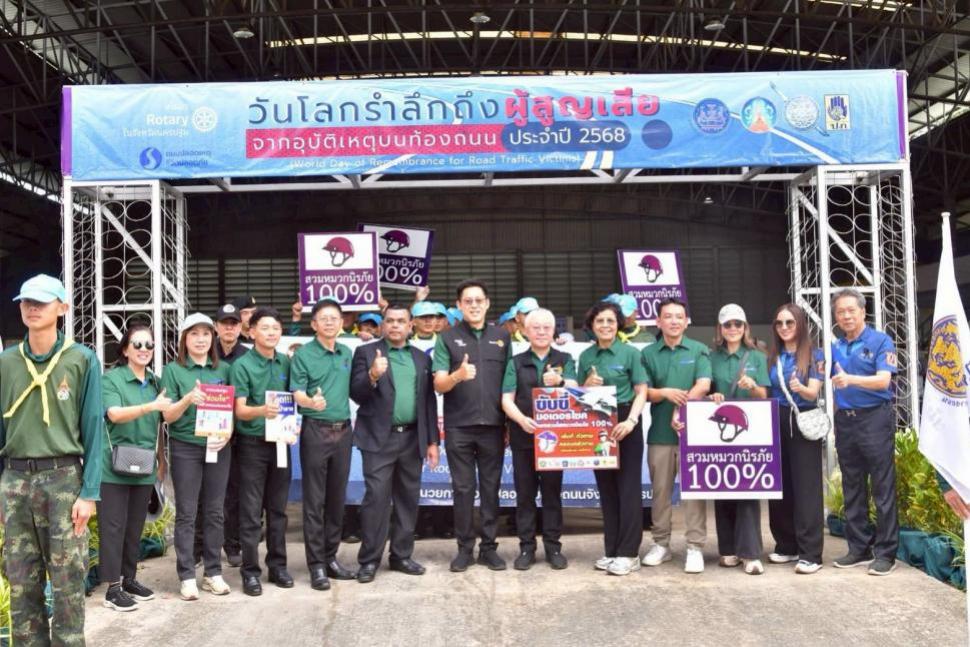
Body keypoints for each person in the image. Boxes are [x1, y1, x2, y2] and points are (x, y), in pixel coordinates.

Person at [0, 274, 103, 644]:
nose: (32, 308)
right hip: (15, 481)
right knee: (20, 582)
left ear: (62, 308)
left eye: (41, 302)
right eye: (26, 302)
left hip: (63, 480)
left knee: (67, 584)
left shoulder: (81, 359)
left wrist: (89, 492)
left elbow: (93, 428)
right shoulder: (6, 362)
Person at [350, 304, 439, 583]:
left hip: (412, 438)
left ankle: (401, 555)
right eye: (390, 321)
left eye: (401, 321)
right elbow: (356, 393)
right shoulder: (366, 353)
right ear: (382, 325)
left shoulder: (421, 358)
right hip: (379, 438)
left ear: (410, 325)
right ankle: (369, 560)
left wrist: (432, 441)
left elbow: (428, 401)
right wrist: (373, 375)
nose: (395, 325)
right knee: (376, 499)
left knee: (407, 499)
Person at [433, 279, 512, 572]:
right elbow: (439, 384)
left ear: (488, 303)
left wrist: (508, 421)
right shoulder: (447, 338)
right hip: (459, 427)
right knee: (463, 489)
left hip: (494, 426)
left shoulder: (502, 337)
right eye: (468, 301)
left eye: (479, 300)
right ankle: (464, 549)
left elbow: (510, 383)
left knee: (491, 488)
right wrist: (458, 375)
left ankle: (489, 548)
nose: (474, 305)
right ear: (459, 306)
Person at [99, 324, 172, 611]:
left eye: (149, 345)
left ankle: (129, 579)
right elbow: (114, 414)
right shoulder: (112, 379)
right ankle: (112, 589)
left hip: (144, 465)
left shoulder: (155, 382)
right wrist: (151, 406)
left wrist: (161, 460)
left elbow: (162, 423)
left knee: (134, 527)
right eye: (137, 344)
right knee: (113, 527)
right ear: (125, 350)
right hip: (113, 466)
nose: (144, 350)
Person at [160, 313, 233, 600]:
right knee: (187, 513)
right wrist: (188, 398)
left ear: (213, 338)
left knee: (215, 511)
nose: (201, 339)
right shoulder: (173, 370)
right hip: (185, 447)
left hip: (218, 446)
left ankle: (213, 573)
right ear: (184, 339)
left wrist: (228, 432)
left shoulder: (224, 369)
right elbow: (167, 416)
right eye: (194, 334)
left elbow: (231, 409)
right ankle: (187, 575)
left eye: (205, 334)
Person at [501, 308, 577, 570]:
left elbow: (577, 392)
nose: (542, 332)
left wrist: (561, 381)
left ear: (554, 330)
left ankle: (553, 547)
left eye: (547, 327)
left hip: (554, 440)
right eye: (536, 328)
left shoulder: (565, 358)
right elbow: (506, 399)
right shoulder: (515, 362)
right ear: (525, 331)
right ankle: (527, 548)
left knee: (552, 493)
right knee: (525, 495)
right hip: (524, 437)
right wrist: (521, 420)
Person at [830, 288, 899, 576]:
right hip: (846, 422)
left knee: (882, 487)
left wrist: (851, 380)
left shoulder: (881, 341)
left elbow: (884, 381)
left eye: (851, 310)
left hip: (875, 419)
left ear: (862, 311)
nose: (846, 316)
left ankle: (886, 553)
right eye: (840, 311)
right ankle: (858, 548)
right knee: (852, 485)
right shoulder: (835, 345)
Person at [641, 297, 711, 574]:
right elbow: (643, 391)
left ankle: (695, 546)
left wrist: (680, 408)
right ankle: (661, 544)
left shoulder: (698, 349)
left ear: (686, 321)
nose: (673, 321)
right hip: (659, 435)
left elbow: (704, 384)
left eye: (679, 316)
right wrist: (664, 393)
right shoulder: (647, 353)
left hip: (693, 435)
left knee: (693, 492)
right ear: (658, 321)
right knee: (660, 493)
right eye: (668, 316)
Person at [578, 301, 649, 576]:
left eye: (610, 320)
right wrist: (586, 385)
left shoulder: (630, 353)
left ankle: (629, 553)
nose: (605, 326)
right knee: (606, 489)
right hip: (598, 421)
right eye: (600, 321)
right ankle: (612, 550)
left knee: (628, 489)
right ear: (592, 326)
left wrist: (631, 421)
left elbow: (641, 391)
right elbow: (578, 395)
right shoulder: (586, 356)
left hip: (625, 421)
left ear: (618, 324)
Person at [290, 299, 357, 591]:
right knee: (314, 501)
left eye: (334, 318)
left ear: (342, 323)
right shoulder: (304, 354)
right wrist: (310, 402)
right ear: (314, 324)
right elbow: (296, 393)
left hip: (344, 431)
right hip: (316, 431)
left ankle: (331, 558)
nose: (330, 322)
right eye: (324, 318)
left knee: (336, 498)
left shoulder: (346, 352)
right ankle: (316, 565)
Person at [230, 308, 294, 596]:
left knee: (278, 509)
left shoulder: (286, 362)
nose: (271, 332)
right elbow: (240, 410)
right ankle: (250, 572)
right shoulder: (242, 365)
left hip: (281, 442)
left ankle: (278, 566)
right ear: (251, 331)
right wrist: (262, 411)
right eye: (265, 327)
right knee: (251, 511)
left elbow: (294, 399)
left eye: (276, 328)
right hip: (252, 445)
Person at [706, 304, 771, 576]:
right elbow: (706, 391)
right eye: (727, 324)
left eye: (738, 324)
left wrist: (753, 386)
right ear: (720, 329)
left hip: (750, 430)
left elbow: (764, 395)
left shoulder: (756, 357)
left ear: (745, 328)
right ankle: (728, 549)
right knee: (721, 487)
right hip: (720, 430)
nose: (733, 328)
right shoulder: (710, 357)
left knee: (747, 490)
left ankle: (751, 553)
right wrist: (712, 396)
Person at [766, 303, 825, 574]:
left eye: (790, 322)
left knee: (806, 487)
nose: (784, 327)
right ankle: (786, 545)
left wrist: (800, 387)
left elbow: (813, 392)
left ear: (800, 324)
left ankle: (810, 552)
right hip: (776, 419)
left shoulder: (815, 355)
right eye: (779, 323)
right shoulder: (772, 356)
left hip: (803, 419)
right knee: (780, 485)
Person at [210, 302, 248, 569]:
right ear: (216, 326)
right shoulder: (205, 352)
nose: (229, 328)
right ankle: (202, 546)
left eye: (233, 324)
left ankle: (233, 544)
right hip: (210, 432)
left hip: (241, 435)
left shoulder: (247, 355)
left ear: (240, 327)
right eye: (224, 323)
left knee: (235, 493)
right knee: (208, 492)